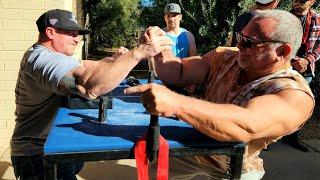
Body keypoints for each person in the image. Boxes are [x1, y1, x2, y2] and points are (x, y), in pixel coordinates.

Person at [125, 10, 314, 179]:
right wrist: (161, 47)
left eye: (249, 43)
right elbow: (179, 72)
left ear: (282, 51)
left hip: (235, 165)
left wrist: (176, 103)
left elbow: (245, 126)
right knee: (156, 173)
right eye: (240, 37)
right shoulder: (226, 57)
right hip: (193, 149)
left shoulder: (294, 95)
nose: (239, 46)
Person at [10, 9, 172, 180]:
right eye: (71, 33)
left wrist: (118, 59)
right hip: (37, 154)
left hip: (56, 143)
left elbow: (92, 66)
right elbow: (88, 85)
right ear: (50, 32)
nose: (77, 38)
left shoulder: (59, 55)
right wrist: (138, 52)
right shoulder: (42, 59)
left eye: (78, 34)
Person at [282, 0, 320, 152]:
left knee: (299, 106)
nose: (296, 3)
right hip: (284, 66)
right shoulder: (284, 18)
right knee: (277, 100)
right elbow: (277, 43)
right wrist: (295, 60)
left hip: (306, 70)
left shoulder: (317, 19)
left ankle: (292, 138)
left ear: (312, 1)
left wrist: (307, 60)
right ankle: (268, 139)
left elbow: (319, 46)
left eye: (301, 1)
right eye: (294, 0)